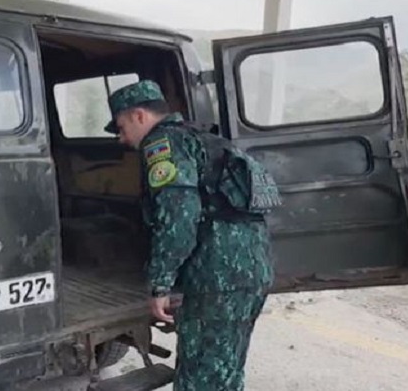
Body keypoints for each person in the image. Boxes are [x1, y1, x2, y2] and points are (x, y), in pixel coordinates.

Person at [104, 79, 281, 390]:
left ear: (139, 116)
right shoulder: (203, 138)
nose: (122, 138)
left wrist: (160, 284)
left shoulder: (163, 144)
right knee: (224, 368)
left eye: (121, 127)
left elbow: (178, 220)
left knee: (200, 375)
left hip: (216, 277)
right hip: (252, 269)